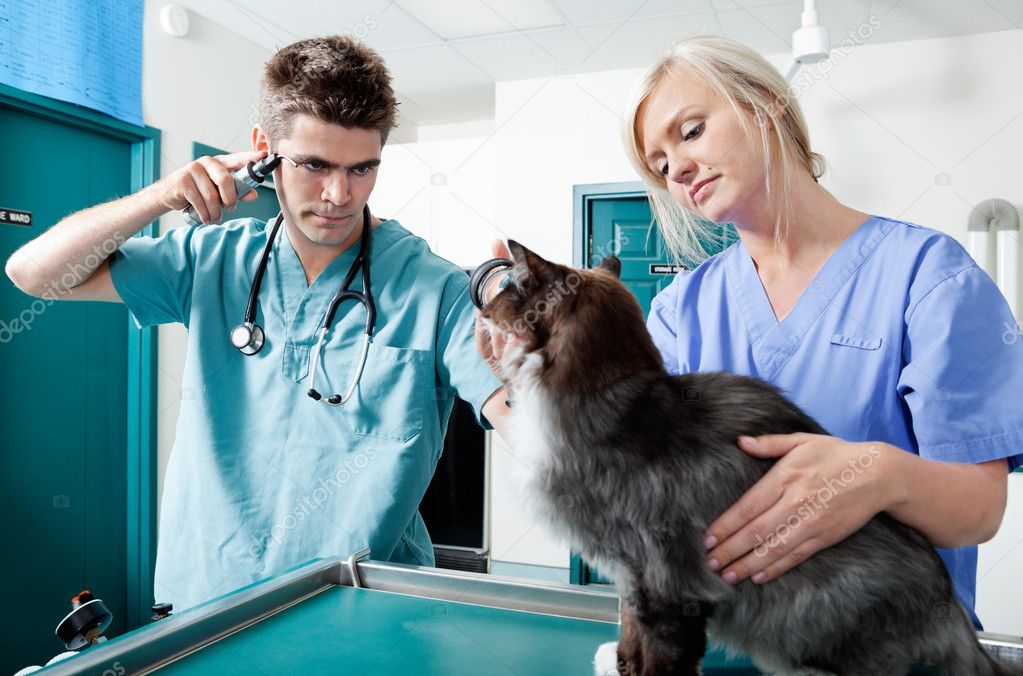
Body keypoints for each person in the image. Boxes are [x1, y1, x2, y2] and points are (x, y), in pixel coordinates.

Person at [5, 35, 510, 611]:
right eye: (315, 164)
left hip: (370, 610)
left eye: (362, 169)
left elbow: (515, 407)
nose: (340, 194)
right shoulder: (208, 259)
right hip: (208, 597)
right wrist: (159, 198)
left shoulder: (434, 286)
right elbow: (33, 273)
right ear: (262, 152)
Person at [619, 35, 1023, 628]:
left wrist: (880, 475)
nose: (677, 169)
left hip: (894, 648)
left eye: (691, 131)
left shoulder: (927, 275)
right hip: (730, 646)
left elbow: (980, 509)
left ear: (764, 103)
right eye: (659, 167)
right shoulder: (683, 309)